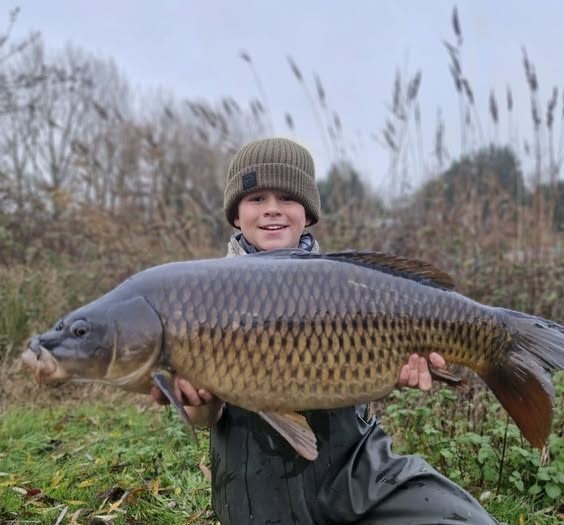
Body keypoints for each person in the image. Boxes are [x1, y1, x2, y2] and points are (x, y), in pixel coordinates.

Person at [152, 138, 500, 524]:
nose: (272, 210)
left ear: (308, 212)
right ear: (236, 214)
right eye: (256, 199)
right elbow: (202, 419)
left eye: (286, 197)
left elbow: (376, 380)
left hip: (355, 475)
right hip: (256, 493)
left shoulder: (348, 285)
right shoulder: (201, 297)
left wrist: (397, 368)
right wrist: (197, 398)